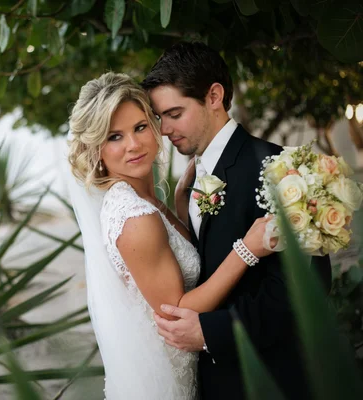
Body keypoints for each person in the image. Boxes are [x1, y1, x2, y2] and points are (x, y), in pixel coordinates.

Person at [141, 41, 332, 400]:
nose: (164, 130)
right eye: (159, 117)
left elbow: (306, 290)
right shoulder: (192, 177)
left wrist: (211, 332)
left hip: (270, 379)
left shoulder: (283, 170)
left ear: (214, 96)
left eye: (174, 114)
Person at [66, 72, 275, 400]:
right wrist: (247, 250)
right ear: (95, 149)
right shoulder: (136, 217)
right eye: (114, 136)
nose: (133, 145)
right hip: (165, 382)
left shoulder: (142, 200)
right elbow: (176, 311)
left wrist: (179, 207)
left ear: (154, 125)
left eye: (139, 127)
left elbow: (171, 260)